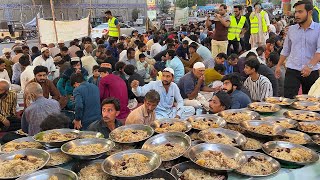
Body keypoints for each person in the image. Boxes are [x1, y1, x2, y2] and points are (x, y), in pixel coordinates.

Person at [275, 0, 320, 99]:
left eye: (300, 12)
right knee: (288, 100)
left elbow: (319, 51)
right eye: (296, 12)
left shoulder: (318, 29)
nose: (296, 15)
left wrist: (310, 66)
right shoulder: (291, 30)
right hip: (292, 70)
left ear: (310, 12)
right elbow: (286, 49)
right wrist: (278, 65)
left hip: (311, 71)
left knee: (310, 102)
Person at [131, 68, 195, 119]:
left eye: (168, 76)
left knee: (191, 109)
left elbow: (180, 101)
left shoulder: (174, 86)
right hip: (158, 113)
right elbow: (140, 92)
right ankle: (172, 122)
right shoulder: (154, 84)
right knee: (157, 119)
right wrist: (135, 88)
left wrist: (178, 115)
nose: (165, 78)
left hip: (170, 111)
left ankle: (171, 122)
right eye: (163, 76)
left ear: (172, 78)